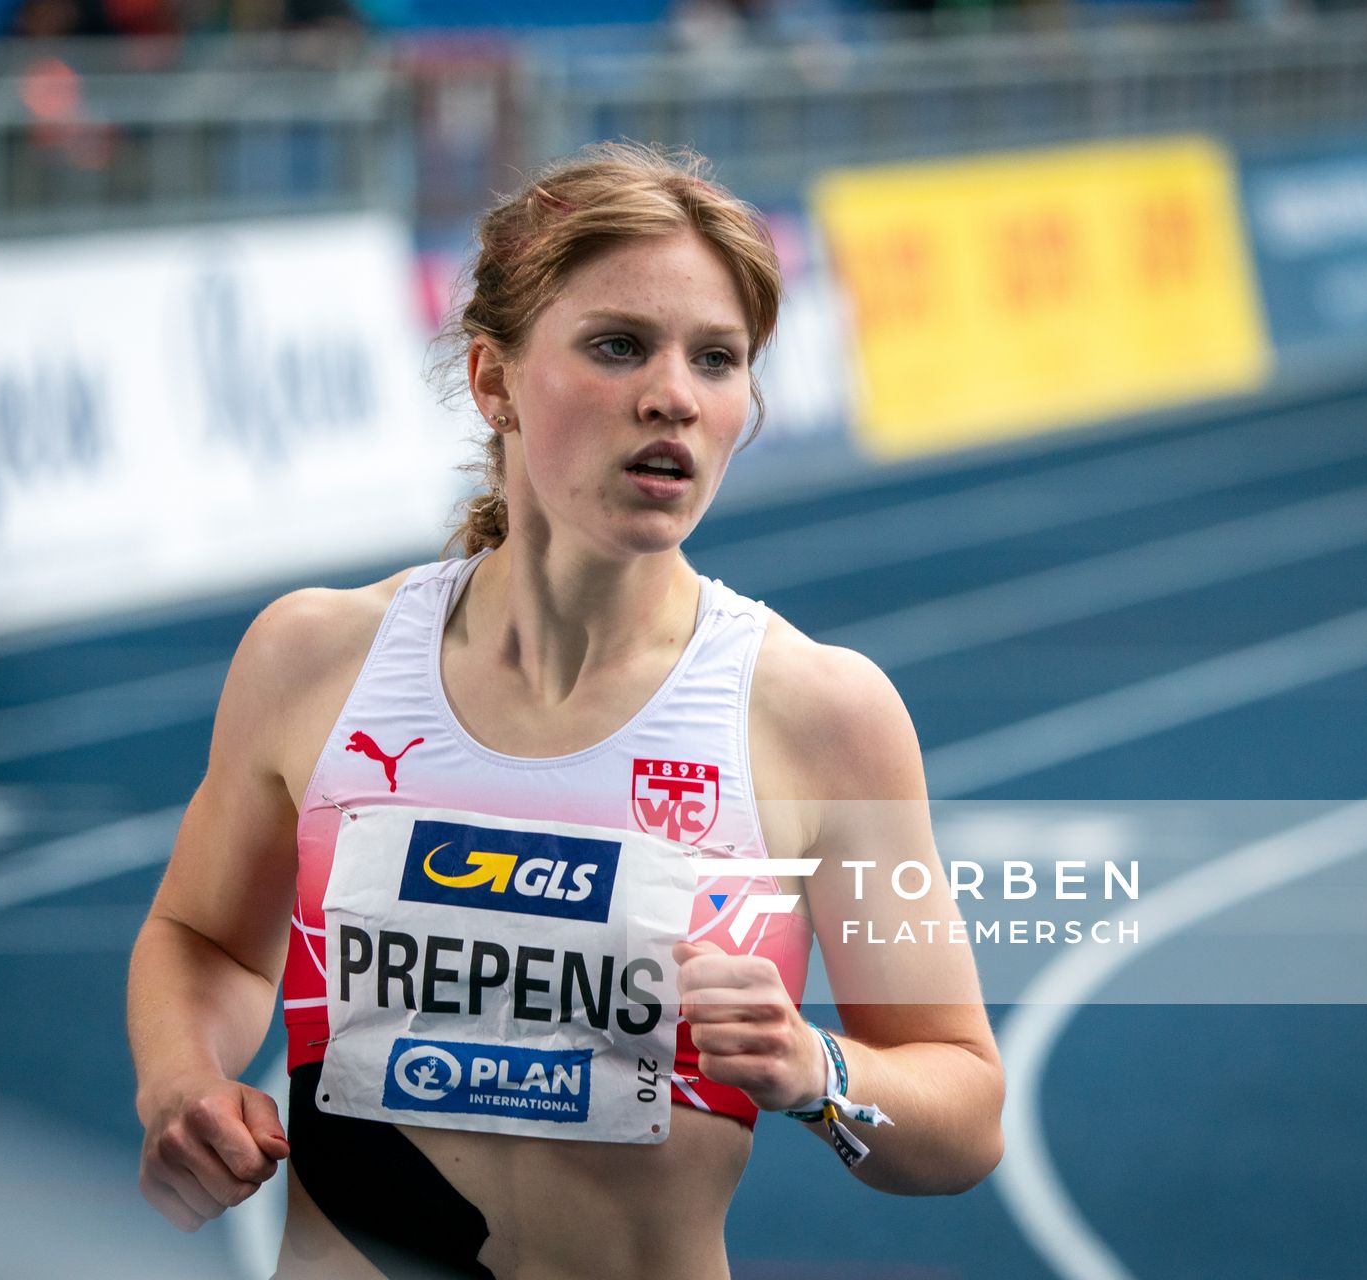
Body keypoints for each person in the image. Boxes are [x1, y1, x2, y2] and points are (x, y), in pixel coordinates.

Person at [126, 140, 1004, 1279]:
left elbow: (966, 1107)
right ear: (493, 379)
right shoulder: (316, 660)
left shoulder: (819, 711)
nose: (673, 396)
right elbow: (201, 940)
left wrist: (818, 1069)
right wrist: (184, 1080)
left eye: (719, 358)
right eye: (618, 345)